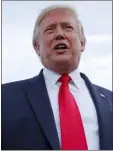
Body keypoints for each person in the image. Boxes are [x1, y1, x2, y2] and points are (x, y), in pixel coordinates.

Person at [2, 4, 113, 150]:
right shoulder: (5, 97)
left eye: (68, 27)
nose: (60, 34)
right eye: (50, 29)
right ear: (37, 47)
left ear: (82, 43)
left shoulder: (109, 100)